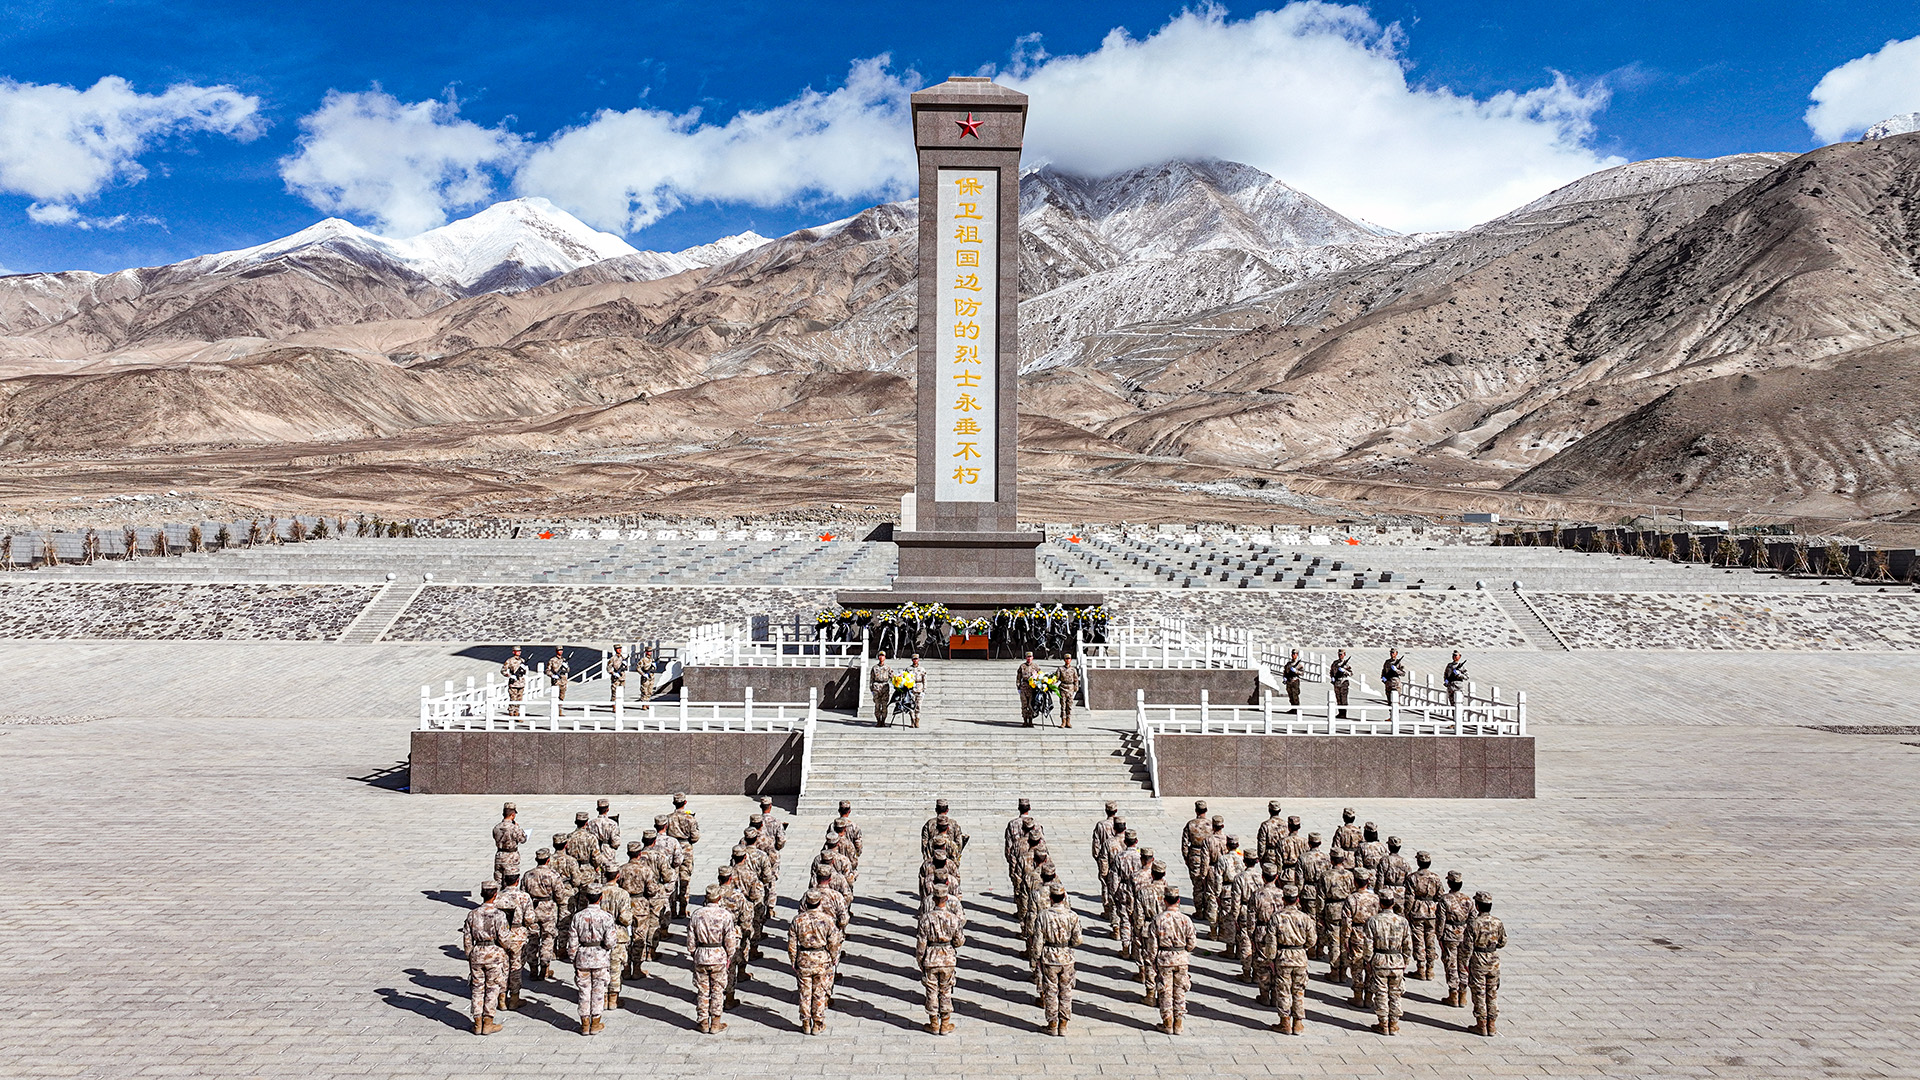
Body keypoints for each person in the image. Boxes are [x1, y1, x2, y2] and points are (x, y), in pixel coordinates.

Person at [788, 889, 843, 1035]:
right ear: (820, 902)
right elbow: (834, 942)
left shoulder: (798, 920)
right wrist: (833, 958)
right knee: (819, 992)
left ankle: (805, 1022)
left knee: (804, 993)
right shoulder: (827, 920)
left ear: (806, 903)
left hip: (804, 958)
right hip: (821, 959)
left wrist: (793, 960)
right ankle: (817, 1024)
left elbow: (792, 943)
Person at [688, 882, 740, 1033]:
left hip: (702, 954)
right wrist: (729, 955)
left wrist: (694, 953)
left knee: (703, 990)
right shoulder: (725, 914)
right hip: (718, 954)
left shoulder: (697, 914)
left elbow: (691, 940)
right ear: (719, 898)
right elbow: (730, 939)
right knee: (717, 990)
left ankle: (703, 1022)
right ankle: (716, 1023)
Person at [462, 881, 510, 1035]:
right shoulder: (499, 914)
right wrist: (508, 947)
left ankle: (477, 1023)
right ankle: (488, 1022)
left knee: (477, 988)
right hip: (494, 953)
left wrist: (470, 954)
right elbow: (503, 937)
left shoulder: (472, 914)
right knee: (492, 987)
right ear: (495, 895)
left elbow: (467, 938)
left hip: (477, 953)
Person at [569, 881, 616, 1035]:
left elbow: (572, 942)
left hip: (582, 957)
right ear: (600, 897)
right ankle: (595, 1023)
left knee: (583, 991)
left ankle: (584, 1024)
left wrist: (573, 959)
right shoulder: (606, 917)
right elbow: (610, 942)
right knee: (598, 991)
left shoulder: (578, 917)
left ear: (587, 897)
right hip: (600, 957)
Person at [1267, 887, 1317, 1034]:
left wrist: (1271, 958)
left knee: (1283, 990)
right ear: (1297, 900)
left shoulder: (1277, 917)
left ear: (1283, 900)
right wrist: (1301, 948)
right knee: (1299, 990)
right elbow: (1312, 940)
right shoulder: (1305, 917)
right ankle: (1298, 1023)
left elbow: (1271, 941)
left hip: (1283, 956)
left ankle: (1285, 1022)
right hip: (1300, 955)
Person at [917, 886, 965, 1034]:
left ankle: (933, 1024)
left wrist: (920, 960)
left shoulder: (926, 918)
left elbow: (921, 944)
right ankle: (945, 1023)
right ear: (946, 899)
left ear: (934, 899)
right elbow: (959, 941)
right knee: (946, 990)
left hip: (931, 958)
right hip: (948, 958)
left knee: (931, 990)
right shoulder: (953, 918)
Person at [1036, 883, 1082, 1035]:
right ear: (1063, 898)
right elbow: (1078, 940)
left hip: (1049, 957)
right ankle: (1063, 1024)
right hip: (1066, 957)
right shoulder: (1072, 915)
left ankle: (1052, 1024)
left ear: (1050, 898)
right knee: (1066, 991)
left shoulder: (1043, 915)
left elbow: (1038, 940)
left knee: (1050, 991)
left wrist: (1036, 957)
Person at [1150, 887, 1196, 1034]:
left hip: (1164, 959)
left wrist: (1153, 962)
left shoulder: (1158, 920)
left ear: (1164, 901)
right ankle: (1179, 1024)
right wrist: (1183, 951)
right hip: (1181, 958)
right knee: (1180, 991)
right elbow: (1192, 943)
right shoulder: (1185, 919)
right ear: (1178, 901)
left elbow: (1152, 946)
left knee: (1165, 991)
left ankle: (1167, 1023)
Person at [1367, 888, 1413, 1034]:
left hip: (1380, 960)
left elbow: (1368, 944)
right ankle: (1393, 1024)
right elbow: (1408, 944)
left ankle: (1383, 1023)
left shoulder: (1373, 921)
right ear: (1393, 903)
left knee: (1381, 993)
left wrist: (1368, 960)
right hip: (1397, 960)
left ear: (1380, 903)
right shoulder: (1403, 921)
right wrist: (1405, 961)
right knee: (1396, 993)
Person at [1467, 891, 1507, 1035]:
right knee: (1492, 992)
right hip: (1493, 959)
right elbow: (1503, 942)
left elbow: (1467, 945)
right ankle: (1492, 1025)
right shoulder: (1497, 922)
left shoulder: (1474, 923)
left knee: (1479, 992)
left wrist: (1465, 962)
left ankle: (1481, 1024)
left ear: (1477, 906)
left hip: (1478, 958)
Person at [522, 848, 562, 981]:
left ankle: (533, 968)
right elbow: (560, 895)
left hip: (532, 909)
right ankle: (544, 968)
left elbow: (523, 894)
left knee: (532, 939)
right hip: (548, 909)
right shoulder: (553, 875)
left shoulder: (528, 875)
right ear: (548, 860)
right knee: (547, 938)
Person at [495, 872, 533, 1009]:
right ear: (517, 881)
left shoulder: (497, 896)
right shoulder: (524, 896)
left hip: (501, 935)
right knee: (516, 967)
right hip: (518, 935)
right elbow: (529, 918)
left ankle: (501, 998)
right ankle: (514, 999)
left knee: (502, 967)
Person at [1439, 871, 1475, 1007]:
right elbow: (1472, 919)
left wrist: (1440, 935)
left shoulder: (1445, 899)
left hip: (1449, 934)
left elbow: (1441, 919)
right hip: (1465, 934)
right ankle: (1463, 994)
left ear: (1449, 884)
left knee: (1451, 963)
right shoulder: (1468, 900)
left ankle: (1453, 993)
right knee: (1463, 963)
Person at [1407, 851, 1444, 980]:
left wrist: (1407, 912)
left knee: (1418, 940)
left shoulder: (1412, 877)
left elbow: (1410, 897)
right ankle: (1430, 969)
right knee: (1430, 940)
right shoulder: (1436, 877)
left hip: (1418, 910)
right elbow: (1440, 896)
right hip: (1432, 912)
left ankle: (1421, 968)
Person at [664, 793, 700, 917]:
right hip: (686, 849)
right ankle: (683, 910)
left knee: (672, 879)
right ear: (685, 803)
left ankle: (672, 910)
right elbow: (695, 837)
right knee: (685, 879)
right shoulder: (690, 818)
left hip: (672, 849)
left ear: (674, 803)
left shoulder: (668, 818)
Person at [1090, 801, 1120, 919]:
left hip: (1105, 858)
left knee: (1105, 884)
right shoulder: (1119, 824)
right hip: (1119, 859)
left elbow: (1096, 843)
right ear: (1116, 811)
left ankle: (1108, 910)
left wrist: (1097, 857)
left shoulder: (1101, 825)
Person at [492, 802, 527, 884]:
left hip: (499, 855)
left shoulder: (496, 827)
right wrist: (518, 828)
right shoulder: (514, 828)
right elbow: (523, 839)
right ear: (513, 814)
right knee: (510, 882)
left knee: (498, 883)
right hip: (511, 857)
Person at [869, 651, 893, 726]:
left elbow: (892, 677)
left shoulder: (888, 668)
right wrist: (871, 689)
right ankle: (878, 720)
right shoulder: (874, 668)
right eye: (880, 656)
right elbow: (871, 679)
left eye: (883, 656)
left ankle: (883, 721)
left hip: (885, 687)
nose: (881, 657)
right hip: (876, 687)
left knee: (884, 705)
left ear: (885, 657)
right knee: (877, 705)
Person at [502, 647, 528, 717]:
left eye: (519, 651)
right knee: (513, 699)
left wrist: (524, 669)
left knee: (519, 699)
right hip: (513, 683)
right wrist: (510, 675)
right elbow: (503, 670)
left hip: (521, 683)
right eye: (517, 651)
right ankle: (511, 713)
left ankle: (516, 713)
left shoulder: (522, 660)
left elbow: (524, 672)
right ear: (513, 652)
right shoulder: (509, 661)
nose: (519, 652)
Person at [1016, 652, 1039, 726]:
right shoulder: (1022, 666)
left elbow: (1039, 676)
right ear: (1026, 658)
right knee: (1024, 705)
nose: (1029, 658)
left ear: (1033, 657)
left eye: (1030, 657)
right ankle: (1025, 720)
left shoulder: (1035, 666)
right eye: (1027, 657)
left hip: (1032, 688)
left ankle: (1031, 720)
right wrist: (1018, 686)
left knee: (1031, 705)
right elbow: (1018, 677)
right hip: (1024, 687)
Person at [1056, 654, 1079, 728]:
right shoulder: (1060, 669)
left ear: (1071, 660)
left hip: (1070, 688)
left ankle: (1068, 721)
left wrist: (1076, 687)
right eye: (1066, 659)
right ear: (1064, 660)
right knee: (1063, 706)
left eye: (1069, 659)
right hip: (1063, 688)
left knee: (1069, 706)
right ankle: (1063, 721)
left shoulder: (1073, 669)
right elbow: (1057, 678)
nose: (1067, 660)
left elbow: (1076, 679)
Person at [1329, 648, 1352, 719]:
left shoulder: (1347, 664)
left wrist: (1344, 671)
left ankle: (1343, 713)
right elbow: (1331, 671)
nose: (1340, 656)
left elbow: (1351, 673)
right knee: (1338, 698)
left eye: (1341, 654)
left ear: (1344, 655)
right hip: (1337, 682)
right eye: (1339, 654)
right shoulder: (1335, 663)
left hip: (1343, 682)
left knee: (1343, 699)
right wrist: (1332, 677)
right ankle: (1340, 712)